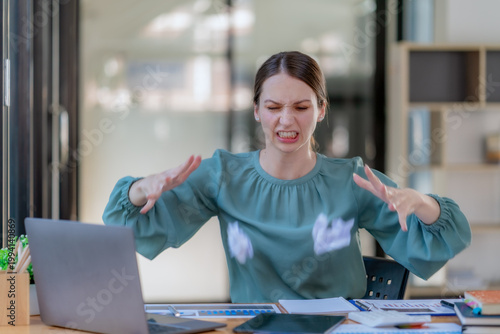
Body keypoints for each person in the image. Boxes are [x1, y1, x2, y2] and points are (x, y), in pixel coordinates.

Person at [103, 51, 471, 303]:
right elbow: (128, 226)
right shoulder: (222, 176)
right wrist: (138, 190)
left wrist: (423, 203)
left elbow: (442, 242)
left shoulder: (353, 180)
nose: (286, 120)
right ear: (256, 112)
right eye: (274, 107)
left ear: (321, 110)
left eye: (301, 107)